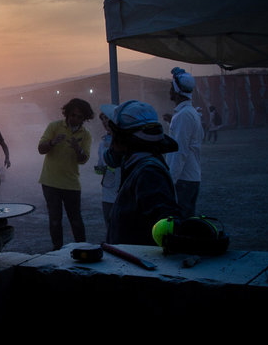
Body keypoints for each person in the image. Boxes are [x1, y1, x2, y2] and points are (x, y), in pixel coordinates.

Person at [103, 100, 181, 245]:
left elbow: (167, 222)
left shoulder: (149, 173)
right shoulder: (138, 164)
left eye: (114, 134)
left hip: (139, 263)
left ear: (123, 138)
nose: (111, 141)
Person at [38, 98, 93, 250]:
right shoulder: (54, 126)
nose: (75, 119)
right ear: (67, 113)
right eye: (73, 115)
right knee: (55, 220)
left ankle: (83, 249)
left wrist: (77, 148)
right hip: (50, 182)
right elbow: (40, 149)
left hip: (71, 183)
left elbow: (83, 160)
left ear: (84, 118)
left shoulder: (85, 135)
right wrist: (52, 142)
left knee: (75, 220)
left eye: (79, 117)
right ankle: (57, 251)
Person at [166, 67, 204, 219]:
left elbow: (179, 151)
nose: (169, 90)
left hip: (183, 179)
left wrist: (170, 180)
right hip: (189, 177)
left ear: (176, 90)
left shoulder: (184, 116)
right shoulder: (189, 113)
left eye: (171, 87)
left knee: (181, 224)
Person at [95, 104, 121, 242]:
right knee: (109, 228)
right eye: (103, 119)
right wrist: (99, 170)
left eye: (108, 119)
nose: (105, 123)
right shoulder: (102, 143)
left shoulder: (125, 141)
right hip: (107, 195)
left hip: (121, 194)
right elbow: (100, 167)